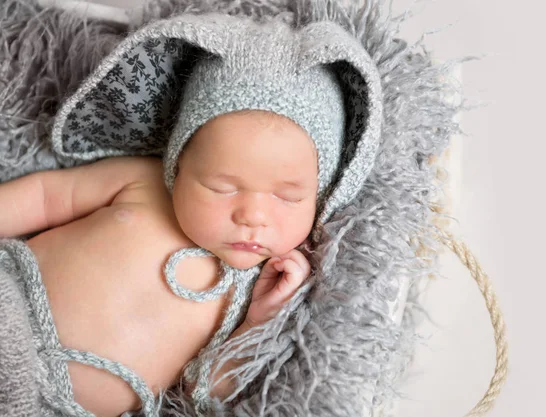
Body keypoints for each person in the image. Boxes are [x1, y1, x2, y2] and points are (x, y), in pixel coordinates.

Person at [0, 34, 346, 417]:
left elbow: (203, 392)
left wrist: (256, 325)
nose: (253, 216)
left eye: (287, 197)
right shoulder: (145, 184)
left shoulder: (259, 287)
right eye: (223, 186)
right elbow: (47, 197)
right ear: (178, 164)